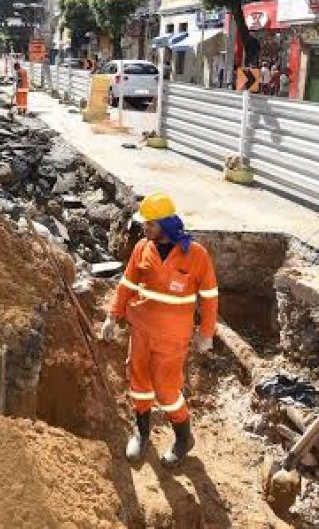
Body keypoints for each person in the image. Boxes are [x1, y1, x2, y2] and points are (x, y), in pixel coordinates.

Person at [99, 194, 219, 466]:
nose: (145, 228)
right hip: (141, 329)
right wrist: (112, 316)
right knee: (139, 383)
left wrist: (206, 333)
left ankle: (183, 437)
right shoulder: (142, 247)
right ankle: (142, 434)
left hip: (172, 336)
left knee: (166, 390)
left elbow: (209, 296)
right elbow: (127, 285)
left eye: (150, 224)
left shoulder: (196, 254)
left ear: (165, 224)